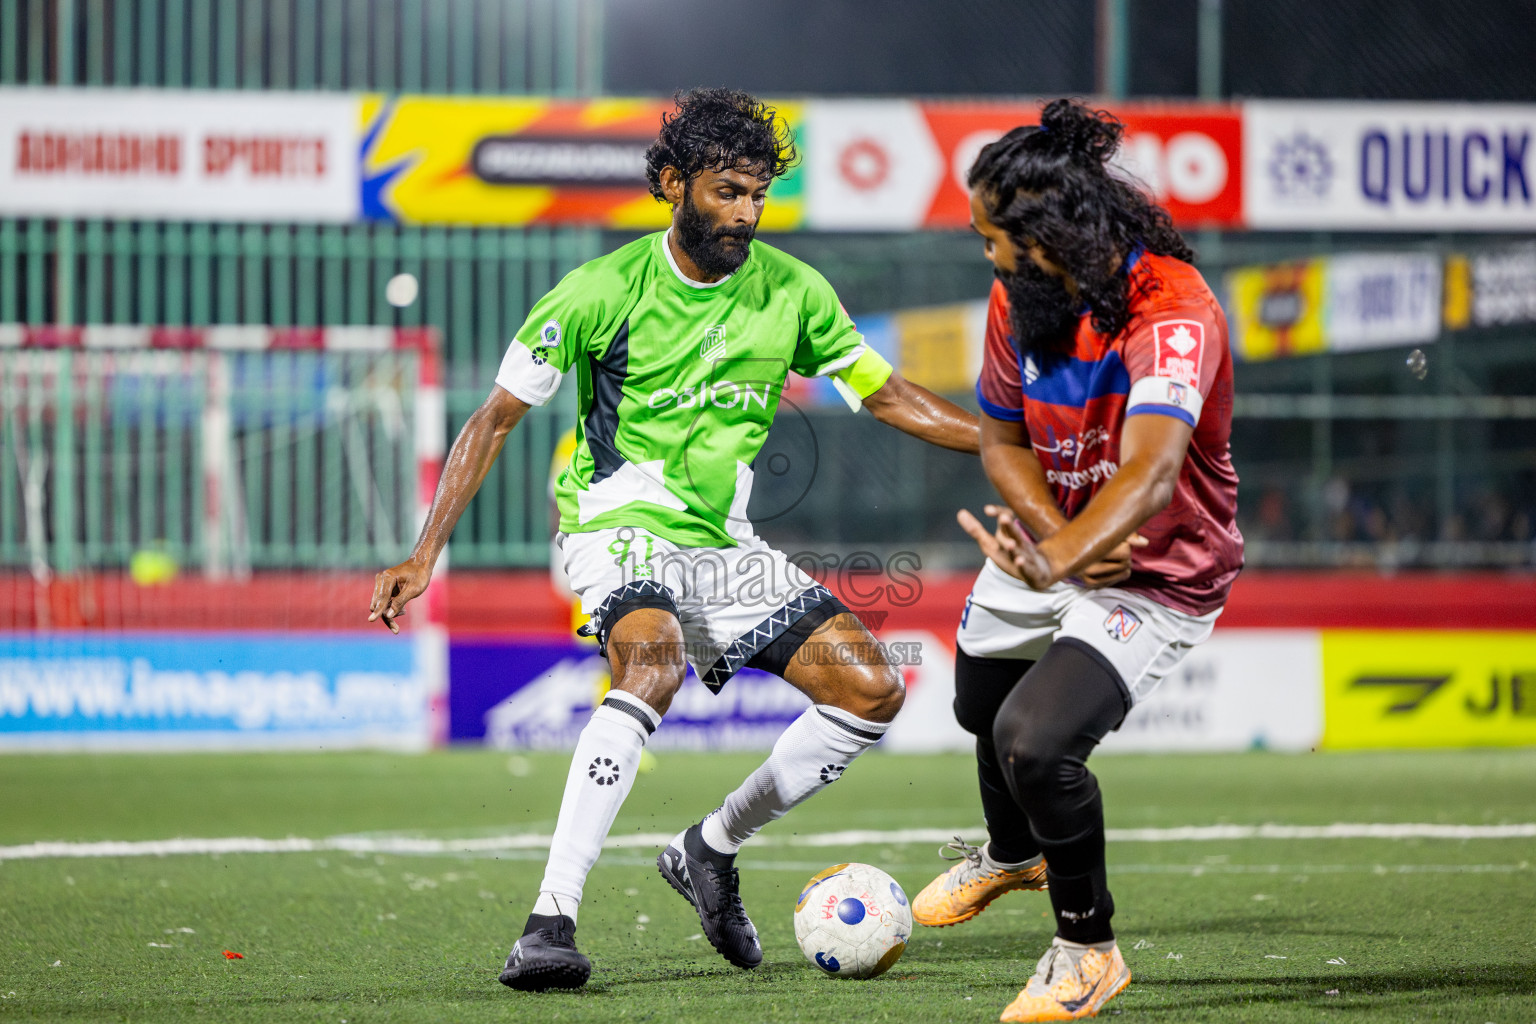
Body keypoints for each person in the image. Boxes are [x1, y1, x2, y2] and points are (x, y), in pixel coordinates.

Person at [367, 87, 978, 992]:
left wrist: (1004, 441)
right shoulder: (601, 291)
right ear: (671, 182)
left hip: (723, 548)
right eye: (728, 190)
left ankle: (708, 847)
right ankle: (550, 921)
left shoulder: (795, 291)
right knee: (652, 664)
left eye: (758, 195)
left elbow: (886, 395)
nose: (746, 213)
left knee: (870, 691)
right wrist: (426, 552)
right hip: (616, 527)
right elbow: (495, 418)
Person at [910, 99, 1243, 1022]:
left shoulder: (1173, 310)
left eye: (992, 239)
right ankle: (1011, 855)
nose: (985, 256)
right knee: (979, 700)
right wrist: (1047, 541)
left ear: (1047, 235)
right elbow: (1002, 437)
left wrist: (1060, 554)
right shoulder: (1020, 297)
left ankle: (1088, 950)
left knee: (1035, 740)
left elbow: (1151, 468)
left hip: (1158, 565)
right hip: (1061, 541)